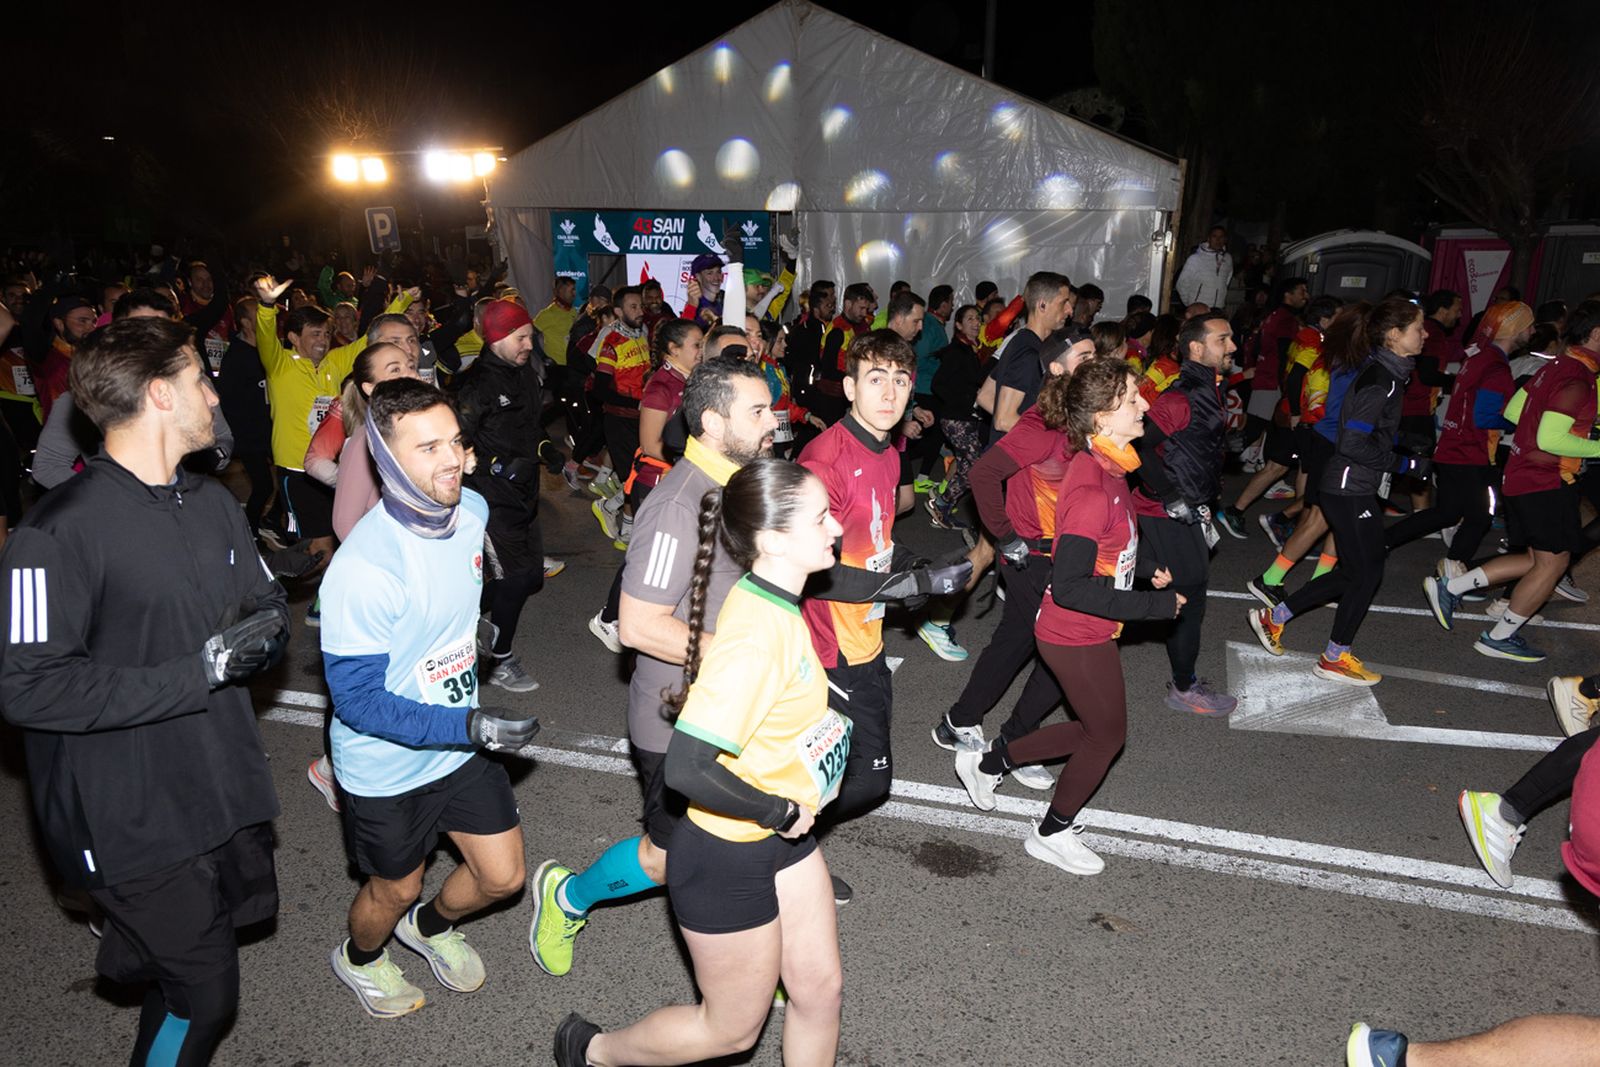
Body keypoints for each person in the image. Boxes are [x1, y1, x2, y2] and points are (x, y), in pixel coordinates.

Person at [0, 316, 288, 1065]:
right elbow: (27, 688)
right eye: (200, 377)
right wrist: (199, 669)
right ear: (160, 393)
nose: (214, 391)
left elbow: (258, 601)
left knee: (180, 974)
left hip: (218, 780)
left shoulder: (214, 502)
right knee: (206, 992)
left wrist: (267, 628)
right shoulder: (53, 533)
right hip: (127, 809)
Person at [553, 458, 847, 1067]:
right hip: (726, 850)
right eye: (821, 517)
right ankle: (594, 1052)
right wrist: (779, 807)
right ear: (772, 541)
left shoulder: (775, 596)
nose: (835, 527)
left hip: (781, 834)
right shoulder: (755, 639)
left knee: (820, 992)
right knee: (732, 1031)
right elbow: (687, 767)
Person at [321, 378, 538, 1019]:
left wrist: (472, 630)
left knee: (502, 878)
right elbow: (357, 703)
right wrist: (469, 724)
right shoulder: (364, 568)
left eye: (456, 441)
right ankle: (359, 958)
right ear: (386, 461)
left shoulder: (469, 510)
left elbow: (453, 592)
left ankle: (432, 926)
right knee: (395, 886)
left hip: (455, 741)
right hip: (387, 766)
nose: (453, 459)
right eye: (427, 448)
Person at [954, 357, 1182, 875]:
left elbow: (1109, 537)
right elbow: (1073, 584)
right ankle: (1050, 832)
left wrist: (1144, 567)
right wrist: (1156, 606)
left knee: (1095, 731)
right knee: (1105, 736)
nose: (1145, 403)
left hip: (1090, 626)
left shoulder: (1110, 463)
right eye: (1131, 400)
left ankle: (990, 761)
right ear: (1101, 417)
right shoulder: (1090, 484)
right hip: (1074, 629)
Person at [800, 330, 972, 890]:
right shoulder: (823, 461)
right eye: (876, 379)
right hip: (828, 645)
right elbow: (810, 572)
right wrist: (903, 584)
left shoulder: (888, 452)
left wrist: (911, 566)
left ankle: (788, 855)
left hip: (866, 633)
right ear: (849, 386)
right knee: (869, 779)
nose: (890, 393)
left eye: (900, 380)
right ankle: (773, 848)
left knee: (839, 766)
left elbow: (873, 539)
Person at [933, 335, 1095, 782]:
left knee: (1016, 643)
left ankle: (963, 723)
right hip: (1034, 556)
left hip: (1061, 555)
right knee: (1063, 653)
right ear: (1058, 370)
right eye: (1085, 356)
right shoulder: (1040, 424)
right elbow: (984, 473)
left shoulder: (1078, 420)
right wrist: (1005, 538)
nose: (1095, 361)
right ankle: (1013, 742)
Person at [1248, 297, 1431, 685]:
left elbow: (1369, 430)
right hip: (1348, 485)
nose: (1425, 334)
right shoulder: (1381, 379)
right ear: (1395, 335)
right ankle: (1332, 655)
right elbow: (1351, 442)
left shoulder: (1389, 373)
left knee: (1361, 571)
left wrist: (1402, 442)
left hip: (1354, 483)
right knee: (1365, 573)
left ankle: (1277, 618)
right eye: (1418, 328)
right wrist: (1403, 465)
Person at [1423, 300, 1600, 662]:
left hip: (1522, 474)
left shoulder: (1556, 366)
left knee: (1537, 560)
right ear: (1597, 334)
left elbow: (1514, 411)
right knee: (1553, 564)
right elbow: (1551, 439)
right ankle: (1498, 636)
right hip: (1546, 479)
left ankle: (1452, 586)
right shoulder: (1577, 376)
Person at [251, 273, 411, 593]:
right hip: (297, 473)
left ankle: (328, 596)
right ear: (294, 338)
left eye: (325, 333)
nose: (323, 340)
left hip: (330, 470)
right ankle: (264, 586)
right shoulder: (280, 364)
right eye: (314, 334)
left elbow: (371, 340)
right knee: (319, 547)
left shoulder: (333, 364)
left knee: (337, 540)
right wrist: (267, 307)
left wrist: (401, 302)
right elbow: (266, 337)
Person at [452, 298, 566, 691]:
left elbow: (531, 427)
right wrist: (496, 464)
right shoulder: (475, 384)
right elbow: (455, 445)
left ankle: (463, 627)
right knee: (517, 578)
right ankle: (499, 659)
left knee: (527, 577)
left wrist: (546, 449)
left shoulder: (523, 375)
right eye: (521, 338)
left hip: (524, 496)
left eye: (530, 338)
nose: (529, 346)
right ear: (497, 337)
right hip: (488, 499)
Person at [1131, 313, 1239, 714]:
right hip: (1164, 508)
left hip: (1189, 504)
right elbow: (1138, 447)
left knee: (1182, 587)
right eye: (1222, 340)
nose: (1231, 347)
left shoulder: (1208, 390)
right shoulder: (1181, 397)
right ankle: (1184, 687)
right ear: (1196, 348)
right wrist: (1171, 493)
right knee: (1188, 593)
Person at [1388, 300, 1524, 559]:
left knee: (1448, 513)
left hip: (1453, 447)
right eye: (1528, 327)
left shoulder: (1478, 357)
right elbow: (1484, 417)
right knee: (1479, 518)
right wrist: (1521, 419)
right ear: (1513, 330)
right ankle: (1452, 575)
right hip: (1470, 451)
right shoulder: (1495, 366)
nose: (1532, 332)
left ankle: (1382, 542)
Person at [1218, 295, 1340, 538]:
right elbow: (1296, 376)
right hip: (1300, 414)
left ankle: (1240, 512)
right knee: (1303, 469)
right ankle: (1294, 529)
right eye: (1338, 316)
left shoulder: (1309, 337)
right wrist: (1296, 412)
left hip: (1294, 410)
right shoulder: (1311, 340)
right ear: (1325, 320)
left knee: (1281, 467)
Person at [590, 286, 651, 548]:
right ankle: (617, 517)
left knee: (641, 474)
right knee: (633, 478)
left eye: (641, 306)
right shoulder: (611, 343)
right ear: (618, 311)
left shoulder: (643, 333)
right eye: (633, 307)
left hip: (641, 417)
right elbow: (601, 390)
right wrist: (636, 402)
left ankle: (618, 517)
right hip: (618, 419)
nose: (640, 312)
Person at [989, 271, 1073, 441]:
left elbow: (985, 396)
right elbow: (1003, 420)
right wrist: (1051, 439)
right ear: (1042, 305)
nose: (1070, 310)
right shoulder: (1028, 352)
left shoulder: (1021, 340)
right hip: (1012, 459)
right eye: (1064, 302)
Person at [927, 303, 988, 530]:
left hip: (967, 418)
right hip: (956, 418)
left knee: (966, 467)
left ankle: (941, 506)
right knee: (977, 465)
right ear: (959, 325)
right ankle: (942, 503)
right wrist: (967, 401)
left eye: (978, 319)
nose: (976, 323)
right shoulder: (956, 352)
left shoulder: (972, 351)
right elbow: (938, 384)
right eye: (970, 319)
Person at [809, 282, 875, 425]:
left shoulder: (863, 328)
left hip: (853, 396)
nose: (864, 313)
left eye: (866, 308)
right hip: (834, 399)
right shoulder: (838, 331)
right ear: (848, 304)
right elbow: (828, 369)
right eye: (861, 308)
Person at [1173, 225, 1233, 308]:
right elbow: (1182, 283)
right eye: (1214, 236)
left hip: (1218, 307)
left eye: (1221, 237)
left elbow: (1227, 280)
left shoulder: (1228, 258)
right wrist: (1190, 304)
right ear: (1208, 239)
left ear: (1225, 239)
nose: (1218, 240)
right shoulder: (1195, 258)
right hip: (1198, 307)